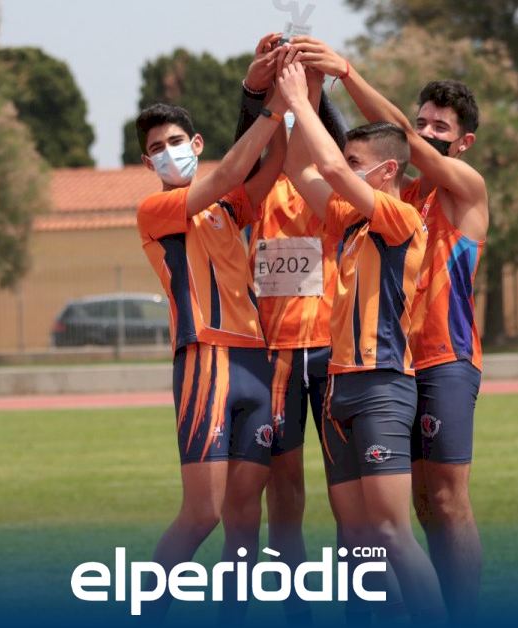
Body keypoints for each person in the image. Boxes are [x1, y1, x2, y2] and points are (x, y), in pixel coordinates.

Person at [291, 36, 491, 626]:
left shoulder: (462, 186)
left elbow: (394, 136)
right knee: (399, 508)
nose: (426, 131)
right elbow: (341, 162)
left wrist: (346, 75)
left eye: (440, 127)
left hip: (445, 354)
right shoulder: (392, 195)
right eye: (422, 121)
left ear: (463, 142)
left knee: (445, 501)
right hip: (392, 359)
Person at [276, 59, 446, 624]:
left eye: (356, 164)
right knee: (357, 538)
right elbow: (300, 169)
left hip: (382, 388)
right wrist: (310, 91)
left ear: (387, 170)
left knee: (392, 533)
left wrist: (298, 102)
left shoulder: (400, 217)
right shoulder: (349, 220)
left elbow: (326, 165)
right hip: (339, 390)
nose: (343, 171)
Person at [132, 47, 289, 620]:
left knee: (245, 517)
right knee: (201, 514)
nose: (166, 152)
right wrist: (270, 107)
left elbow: (273, 163)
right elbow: (228, 172)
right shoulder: (156, 211)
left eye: (174, 141)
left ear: (195, 143)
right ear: (147, 162)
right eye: (156, 148)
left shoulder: (228, 208)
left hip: (255, 365)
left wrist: (280, 92)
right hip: (205, 362)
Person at [232, 33, 351, 626]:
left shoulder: (329, 183)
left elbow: (338, 144)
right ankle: (296, 612)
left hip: (333, 351)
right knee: (285, 495)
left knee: (350, 497)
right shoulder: (254, 190)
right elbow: (245, 142)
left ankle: (361, 608)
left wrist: (316, 82)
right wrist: (258, 90)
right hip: (275, 355)